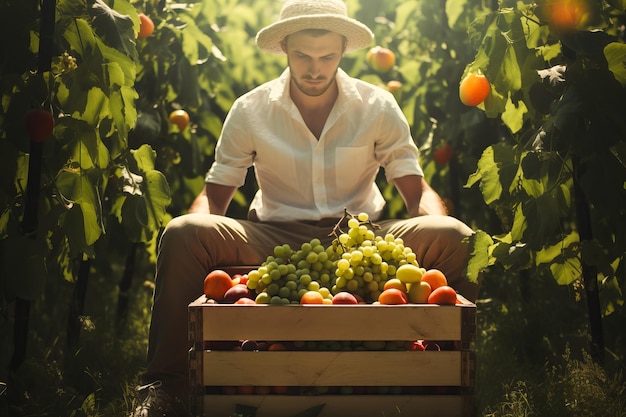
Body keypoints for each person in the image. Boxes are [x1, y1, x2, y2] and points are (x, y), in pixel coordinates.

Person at [131, 0, 479, 415]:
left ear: (343, 51)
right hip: (273, 242)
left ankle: (443, 374)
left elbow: (416, 190)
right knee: (184, 231)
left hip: (361, 239)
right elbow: (214, 195)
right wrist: (198, 221)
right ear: (285, 48)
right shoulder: (251, 109)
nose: (314, 69)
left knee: (456, 236)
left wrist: (436, 226)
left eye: (327, 57)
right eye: (303, 57)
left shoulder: (376, 106)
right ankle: (167, 385)